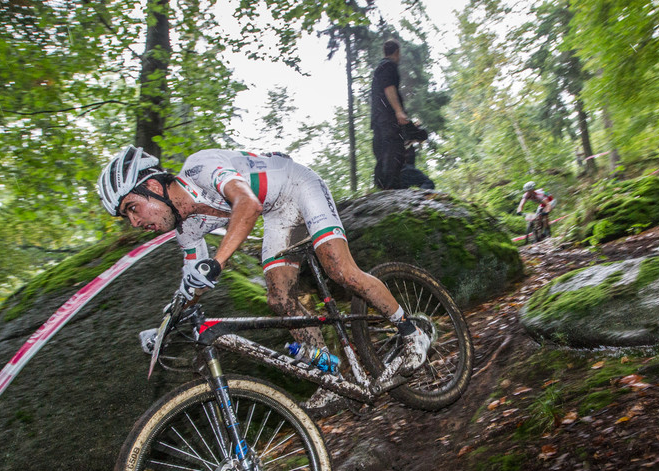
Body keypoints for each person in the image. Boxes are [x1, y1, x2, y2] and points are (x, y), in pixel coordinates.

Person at [97, 146, 430, 417]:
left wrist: (217, 262)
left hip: (298, 186)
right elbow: (193, 282)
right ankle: (331, 376)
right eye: (128, 216)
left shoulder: (199, 169)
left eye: (133, 208)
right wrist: (163, 329)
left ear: (153, 187)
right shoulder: (187, 228)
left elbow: (247, 203)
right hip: (278, 214)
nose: (136, 221)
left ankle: (411, 333)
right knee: (278, 299)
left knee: (339, 270)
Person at [370, 40, 409, 190]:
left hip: (378, 118)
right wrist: (399, 111)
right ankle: (392, 189)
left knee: (381, 151)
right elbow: (389, 88)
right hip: (388, 118)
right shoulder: (389, 66)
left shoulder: (379, 68)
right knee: (394, 150)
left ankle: (380, 188)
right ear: (397, 52)